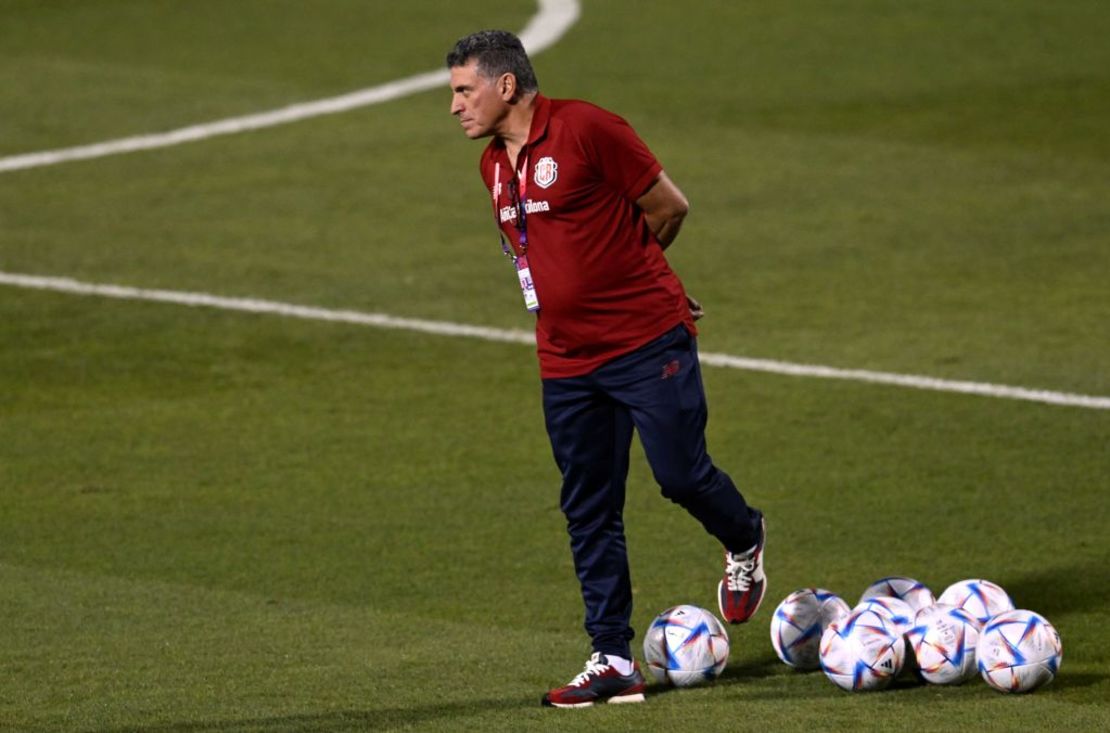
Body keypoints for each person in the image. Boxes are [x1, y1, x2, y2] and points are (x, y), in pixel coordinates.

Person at [446, 30, 767, 708]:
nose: (454, 107)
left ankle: (745, 536)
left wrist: (644, 284)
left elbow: (667, 206)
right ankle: (612, 657)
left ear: (506, 86)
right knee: (588, 504)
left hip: (648, 343)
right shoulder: (492, 168)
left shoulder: (589, 129)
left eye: (462, 90)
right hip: (566, 361)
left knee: (681, 475)